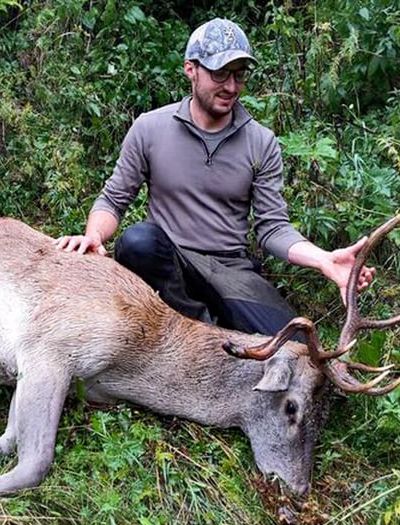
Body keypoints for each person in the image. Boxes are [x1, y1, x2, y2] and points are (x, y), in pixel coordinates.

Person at [56, 17, 375, 336]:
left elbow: (272, 227)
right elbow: (114, 199)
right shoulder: (150, 128)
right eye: (220, 73)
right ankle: (201, 331)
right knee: (138, 241)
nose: (231, 86)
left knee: (296, 347)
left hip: (230, 270)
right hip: (171, 264)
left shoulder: (260, 141)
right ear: (190, 69)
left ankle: (217, 324)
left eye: (239, 75)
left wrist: (323, 260)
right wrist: (94, 236)